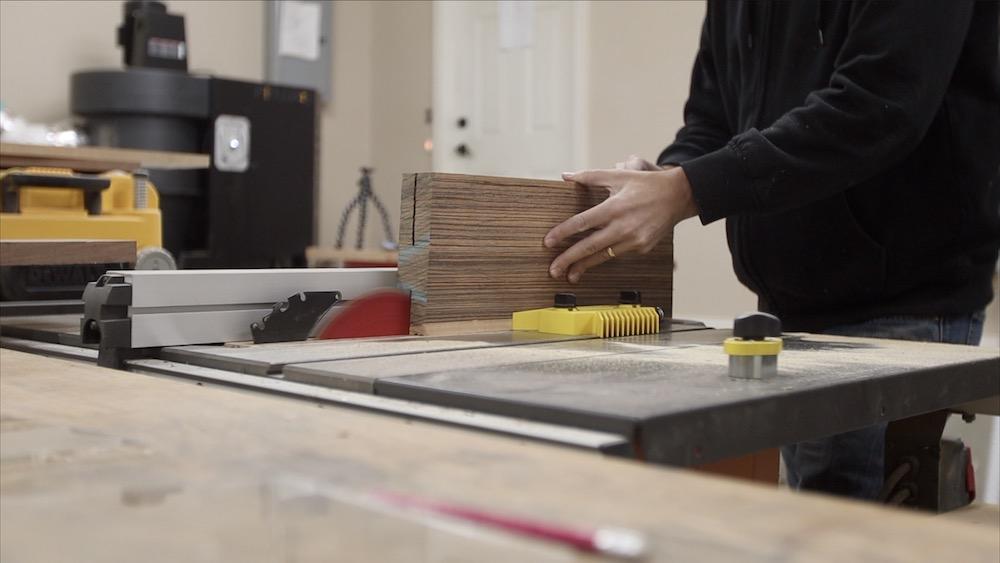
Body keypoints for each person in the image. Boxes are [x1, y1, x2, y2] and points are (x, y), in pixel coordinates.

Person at [544, 1, 999, 500]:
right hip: (792, 298)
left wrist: (687, 189)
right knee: (817, 510)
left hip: (900, 297)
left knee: (844, 527)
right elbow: (712, 120)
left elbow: (878, 108)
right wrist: (664, 179)